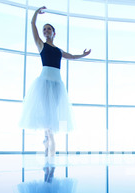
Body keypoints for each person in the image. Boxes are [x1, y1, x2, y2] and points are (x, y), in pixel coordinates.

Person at [19, 6, 91, 158]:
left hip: (57, 84)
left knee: (53, 114)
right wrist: (36, 13)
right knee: (46, 114)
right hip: (44, 83)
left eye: (48, 29)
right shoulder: (41, 45)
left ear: (54, 33)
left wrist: (83, 55)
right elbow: (32, 25)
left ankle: (48, 141)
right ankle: (48, 140)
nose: (45, 31)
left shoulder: (58, 50)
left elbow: (71, 56)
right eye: (44, 29)